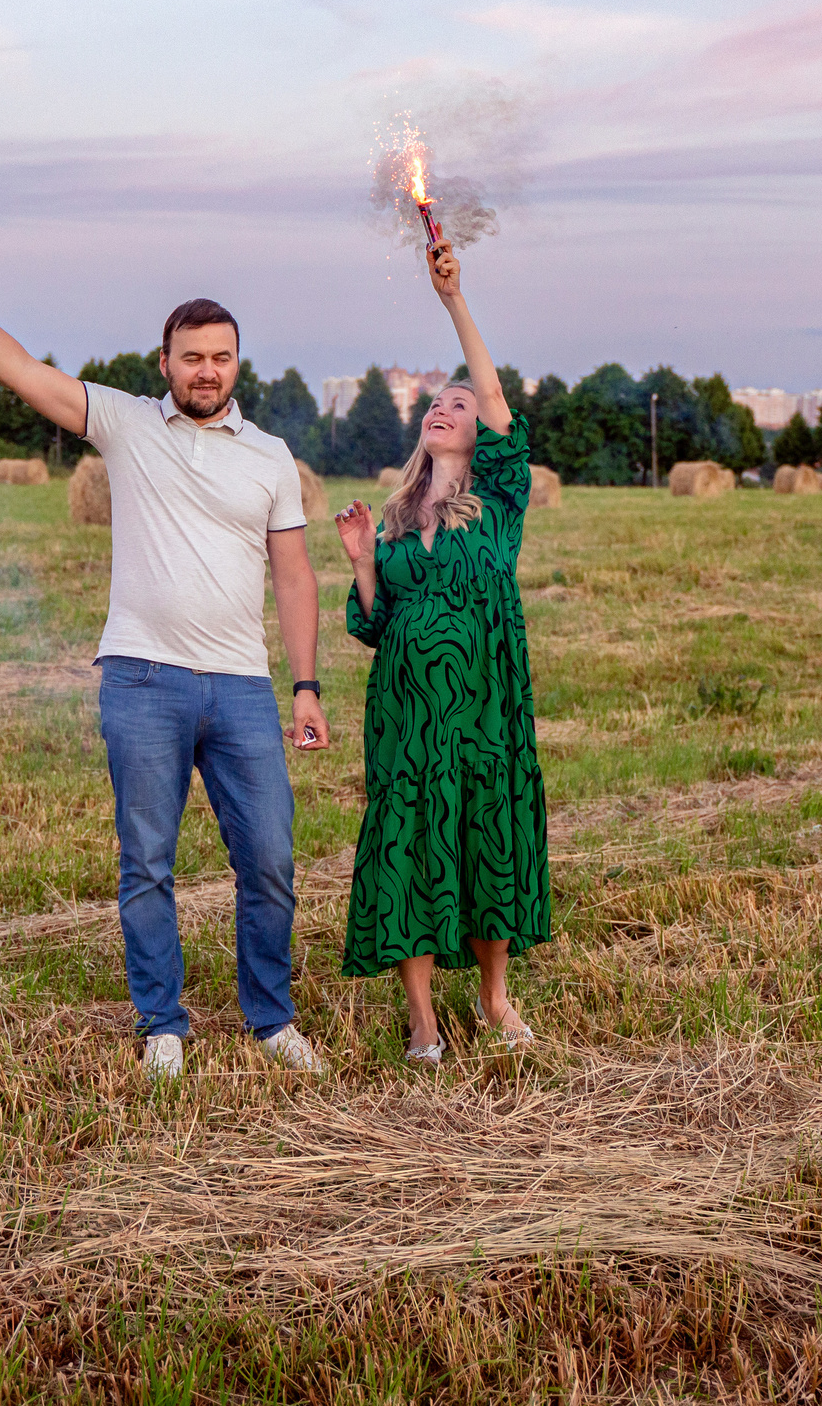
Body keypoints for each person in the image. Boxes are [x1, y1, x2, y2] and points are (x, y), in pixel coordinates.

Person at [0, 230, 328, 1081]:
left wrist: (306, 684)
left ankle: (271, 1018)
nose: (208, 371)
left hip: (243, 686)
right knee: (146, 861)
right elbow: (18, 367)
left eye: (222, 358)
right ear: (162, 362)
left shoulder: (272, 457)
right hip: (142, 677)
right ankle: (162, 1020)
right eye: (192, 356)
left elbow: (297, 576)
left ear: (239, 365)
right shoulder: (126, 424)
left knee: (270, 859)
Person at [333, 241, 549, 1062]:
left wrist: (454, 300)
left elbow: (495, 395)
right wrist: (360, 562)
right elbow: (375, 624)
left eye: (458, 402)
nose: (446, 405)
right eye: (437, 400)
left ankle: (495, 998)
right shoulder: (393, 519)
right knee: (411, 838)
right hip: (407, 715)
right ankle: (423, 1018)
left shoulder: (500, 498)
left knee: (488, 829)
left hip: (485, 706)